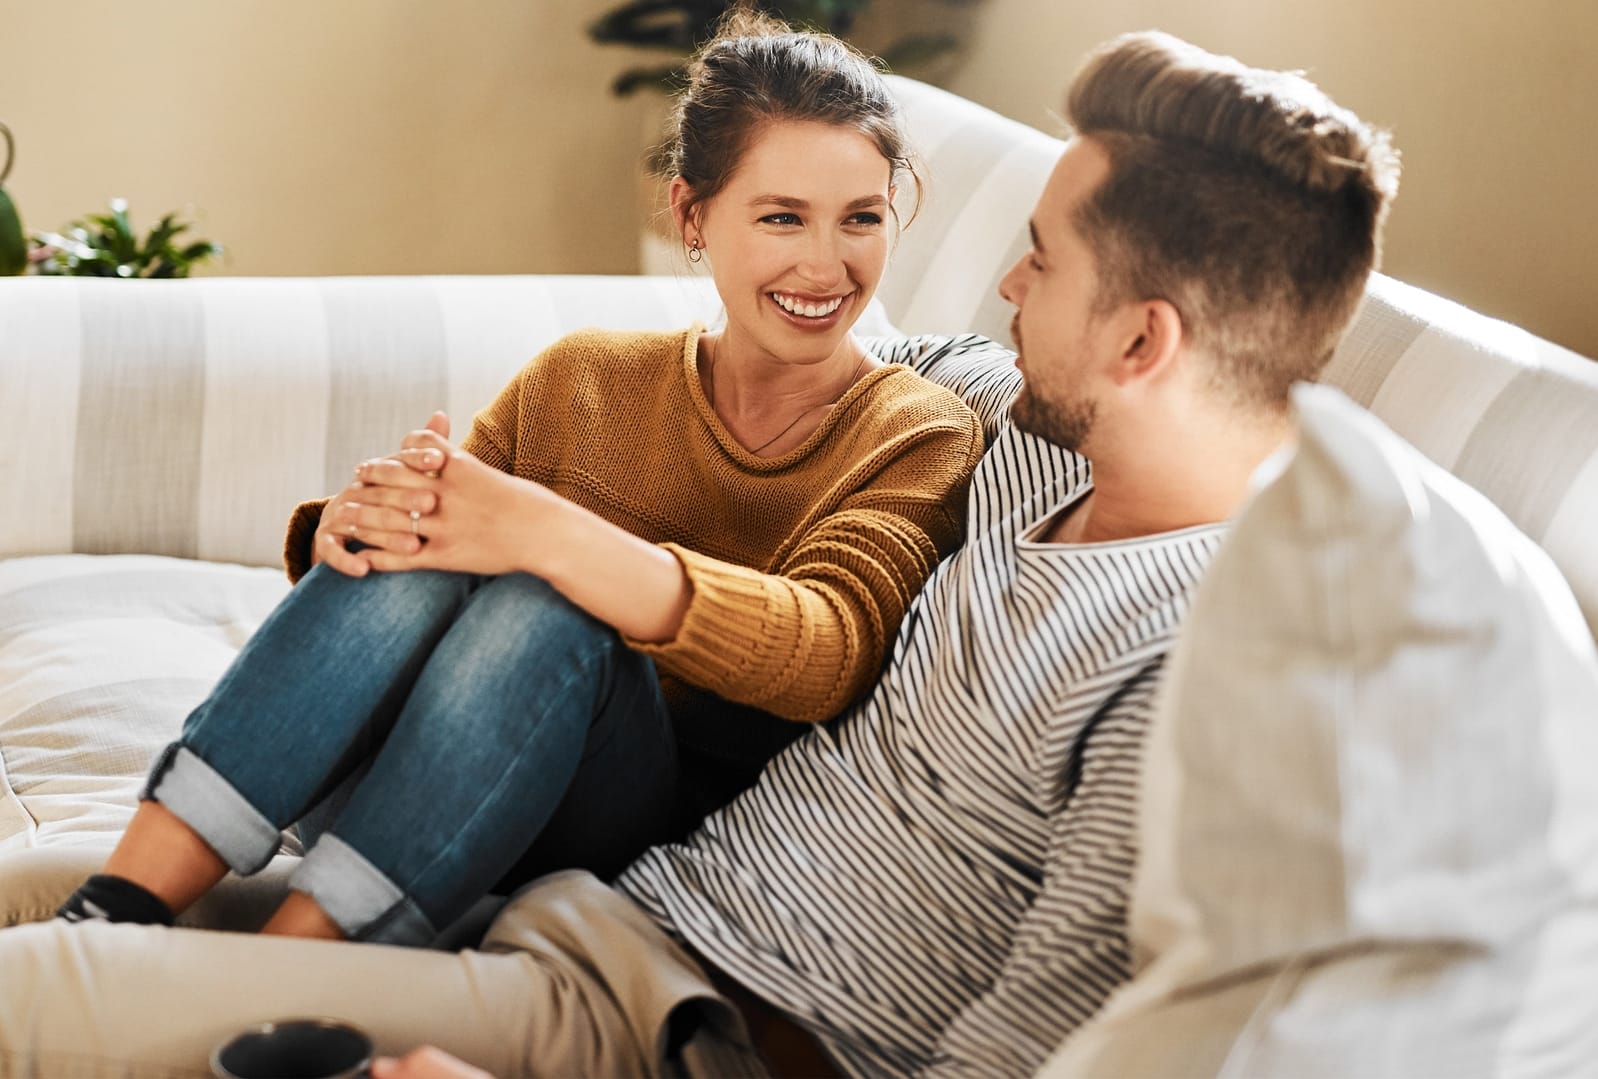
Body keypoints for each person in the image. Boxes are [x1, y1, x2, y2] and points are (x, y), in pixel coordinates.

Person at [0, 28, 1399, 1079]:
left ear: (1142, 341)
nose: (997, 283)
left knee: (46, 1000)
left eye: (1038, 259)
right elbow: (813, 362)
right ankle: (149, 900)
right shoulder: (1019, 431)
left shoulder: (1198, 668)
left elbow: (1020, 1042)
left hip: (655, 1007)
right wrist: (367, 516)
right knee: (40, 895)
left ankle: (251, 964)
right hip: (586, 906)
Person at [45, 10, 984, 949]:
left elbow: (827, 651)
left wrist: (549, 537)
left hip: (607, 823)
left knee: (550, 607)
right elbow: (430, 561)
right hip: (389, 785)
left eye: (860, 218)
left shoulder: (913, 431)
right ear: (692, 214)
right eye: (783, 216)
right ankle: (118, 906)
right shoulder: (585, 375)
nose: (826, 264)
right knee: (442, 518)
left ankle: (291, 959)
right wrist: (353, 523)